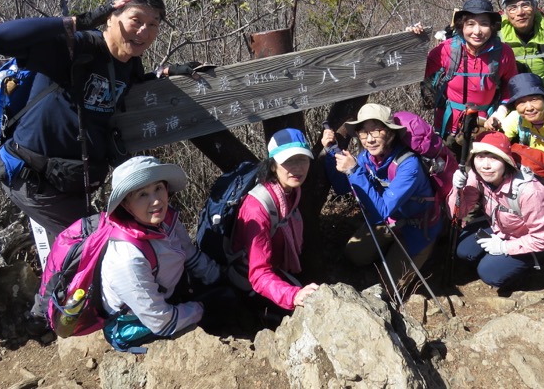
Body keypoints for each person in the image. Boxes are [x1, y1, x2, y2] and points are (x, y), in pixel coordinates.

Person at [0, 0, 165, 238]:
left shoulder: (130, 65)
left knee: (89, 251)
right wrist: (78, 22)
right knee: (97, 248)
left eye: (153, 24)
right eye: (136, 20)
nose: (144, 32)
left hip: (72, 183)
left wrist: (163, 75)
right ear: (110, 18)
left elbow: (123, 92)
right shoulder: (74, 47)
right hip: (35, 179)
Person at [100, 155, 231, 352]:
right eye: (142, 195)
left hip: (167, 293)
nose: (155, 201)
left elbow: (188, 253)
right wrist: (201, 307)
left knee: (228, 295)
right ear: (126, 205)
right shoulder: (127, 258)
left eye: (158, 188)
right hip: (134, 321)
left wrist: (219, 277)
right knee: (220, 307)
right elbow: (160, 321)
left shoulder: (165, 220)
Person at [322, 103, 443, 289]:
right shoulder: (367, 158)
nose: (370, 139)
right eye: (363, 132)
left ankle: (428, 249)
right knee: (354, 254)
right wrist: (332, 151)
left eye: (376, 131)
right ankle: (391, 249)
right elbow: (342, 187)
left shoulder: (408, 165)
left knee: (388, 287)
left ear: (391, 133)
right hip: (392, 222)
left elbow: (382, 211)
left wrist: (354, 170)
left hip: (419, 228)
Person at [229, 128, 320, 321]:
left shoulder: (291, 192)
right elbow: (259, 274)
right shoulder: (257, 208)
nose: (297, 168)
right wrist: (293, 295)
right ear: (272, 166)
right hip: (249, 281)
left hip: (278, 267)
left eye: (302, 159)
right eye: (288, 161)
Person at [452, 132, 544, 290]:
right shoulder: (477, 175)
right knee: (464, 250)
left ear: (506, 161)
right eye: (480, 157)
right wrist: (457, 189)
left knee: (489, 273)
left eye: (494, 158)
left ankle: (523, 271)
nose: (485, 165)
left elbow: (543, 239)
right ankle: (496, 260)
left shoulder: (530, 191)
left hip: (527, 238)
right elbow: (458, 213)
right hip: (499, 227)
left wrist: (504, 248)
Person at [417, 0, 518, 137]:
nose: (477, 31)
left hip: (485, 126)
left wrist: (500, 113)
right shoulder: (447, 49)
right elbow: (414, 71)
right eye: (470, 24)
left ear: (492, 27)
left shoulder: (503, 53)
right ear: (461, 26)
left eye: (484, 24)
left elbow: (511, 88)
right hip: (448, 127)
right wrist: (412, 40)